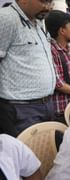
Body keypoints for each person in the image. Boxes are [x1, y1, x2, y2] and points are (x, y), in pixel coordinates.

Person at [0, 0, 56, 135]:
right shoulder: (7, 18)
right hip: (21, 108)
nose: (48, 7)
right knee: (28, 153)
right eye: (44, 1)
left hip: (45, 104)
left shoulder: (37, 21)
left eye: (50, 2)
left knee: (44, 153)